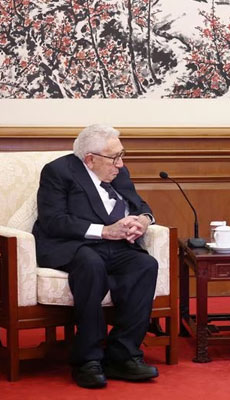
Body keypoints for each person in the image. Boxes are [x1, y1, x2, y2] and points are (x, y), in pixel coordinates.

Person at [33, 124, 159, 388]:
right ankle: (87, 359)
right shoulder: (59, 172)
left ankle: (123, 355)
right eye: (115, 158)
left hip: (115, 247)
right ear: (90, 159)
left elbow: (140, 204)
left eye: (121, 155)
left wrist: (144, 221)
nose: (121, 164)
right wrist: (103, 231)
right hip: (72, 245)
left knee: (145, 264)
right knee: (91, 264)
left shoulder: (118, 173)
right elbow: (53, 221)